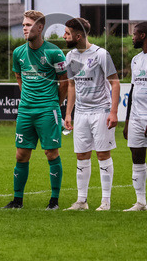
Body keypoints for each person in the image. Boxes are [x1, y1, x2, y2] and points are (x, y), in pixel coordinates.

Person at [4, 10, 68, 210]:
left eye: (28, 25)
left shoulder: (54, 52)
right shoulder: (18, 53)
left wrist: (54, 104)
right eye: (23, 24)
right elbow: (18, 76)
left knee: (51, 153)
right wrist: (27, 98)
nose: (24, 28)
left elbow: (64, 82)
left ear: (40, 28)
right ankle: (17, 200)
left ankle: (54, 200)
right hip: (25, 111)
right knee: (21, 155)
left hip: (47, 110)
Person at [62, 17, 120, 211]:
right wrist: (68, 113)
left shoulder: (101, 54)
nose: (64, 36)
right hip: (81, 113)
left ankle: (106, 201)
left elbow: (115, 82)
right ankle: (81, 201)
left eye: (67, 33)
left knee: (103, 154)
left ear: (78, 36)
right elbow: (71, 85)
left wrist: (113, 112)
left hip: (101, 112)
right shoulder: (70, 56)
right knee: (81, 155)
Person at [122, 21, 147, 211]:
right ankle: (140, 202)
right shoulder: (136, 59)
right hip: (136, 117)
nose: (132, 37)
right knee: (137, 156)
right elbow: (132, 90)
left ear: (143, 36)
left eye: (135, 34)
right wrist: (127, 121)